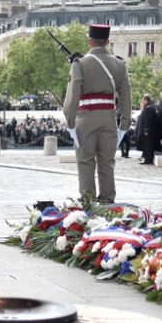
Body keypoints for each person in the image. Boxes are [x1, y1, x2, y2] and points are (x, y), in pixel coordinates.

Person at [62, 24, 132, 203]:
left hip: (85, 118)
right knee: (107, 162)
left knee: (85, 161)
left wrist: (70, 123)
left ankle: (88, 200)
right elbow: (125, 98)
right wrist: (123, 126)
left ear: (89, 41)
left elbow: (72, 96)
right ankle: (108, 199)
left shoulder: (80, 64)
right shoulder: (119, 64)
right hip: (109, 118)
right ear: (107, 42)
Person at [135, 94, 160, 165]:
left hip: (148, 131)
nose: (142, 102)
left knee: (147, 146)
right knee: (147, 145)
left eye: (142, 100)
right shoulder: (150, 107)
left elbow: (148, 120)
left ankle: (148, 159)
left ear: (146, 100)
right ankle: (147, 158)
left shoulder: (148, 108)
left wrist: (146, 130)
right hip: (149, 131)